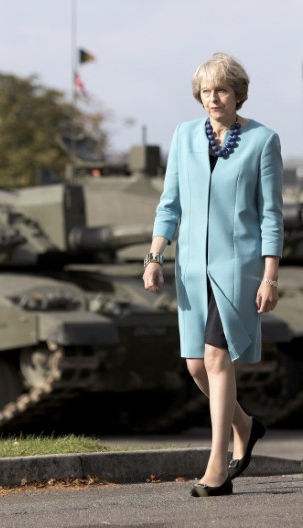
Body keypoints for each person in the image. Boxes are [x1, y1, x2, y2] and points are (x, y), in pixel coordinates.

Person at [143, 52, 283, 498]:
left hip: (238, 270)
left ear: (238, 93)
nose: (213, 98)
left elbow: (271, 216)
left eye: (221, 90)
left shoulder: (263, 140)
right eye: (206, 91)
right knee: (195, 365)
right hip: (189, 269)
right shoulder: (184, 136)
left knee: (218, 359)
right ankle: (246, 424)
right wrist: (154, 257)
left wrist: (270, 276)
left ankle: (217, 468)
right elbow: (170, 204)